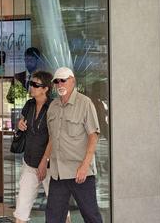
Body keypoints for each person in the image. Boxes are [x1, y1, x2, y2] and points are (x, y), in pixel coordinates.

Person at [45, 67, 103, 223]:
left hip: (80, 173)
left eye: (63, 80)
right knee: (53, 218)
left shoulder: (85, 103)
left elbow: (93, 136)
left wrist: (85, 165)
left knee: (91, 216)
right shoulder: (52, 107)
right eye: (56, 81)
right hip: (58, 174)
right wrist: (44, 161)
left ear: (73, 81)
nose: (59, 84)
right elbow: (52, 138)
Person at [13, 70, 63, 223]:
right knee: (21, 209)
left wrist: (44, 161)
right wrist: (20, 124)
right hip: (30, 162)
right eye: (31, 83)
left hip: (50, 165)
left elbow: (54, 138)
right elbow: (22, 122)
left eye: (36, 84)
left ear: (45, 88)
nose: (32, 87)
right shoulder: (29, 104)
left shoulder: (54, 107)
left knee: (59, 209)